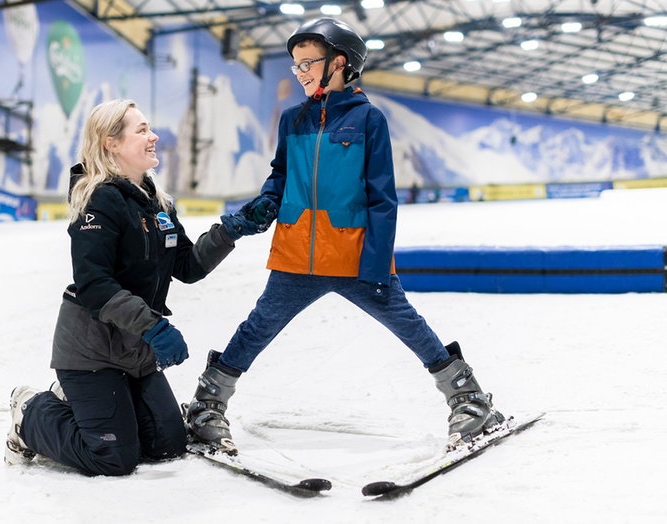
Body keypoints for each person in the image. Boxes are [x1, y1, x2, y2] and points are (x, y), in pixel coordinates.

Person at [183, 18, 505, 454]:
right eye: (295, 66)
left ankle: (468, 401)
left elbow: (382, 200)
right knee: (256, 328)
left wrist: (374, 265)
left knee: (408, 326)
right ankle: (207, 405)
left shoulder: (369, 120)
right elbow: (278, 184)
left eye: (307, 64)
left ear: (340, 63)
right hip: (296, 256)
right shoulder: (292, 120)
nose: (299, 73)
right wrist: (241, 223)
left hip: (355, 257)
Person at [4, 99, 273, 476]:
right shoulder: (98, 200)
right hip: (92, 351)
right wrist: (154, 326)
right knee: (113, 457)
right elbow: (94, 285)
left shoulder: (156, 202)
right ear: (111, 143)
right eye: (142, 130)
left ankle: (93, 404)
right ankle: (30, 411)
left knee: (168, 445)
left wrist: (232, 229)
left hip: (135, 351)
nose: (154, 136)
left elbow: (188, 266)